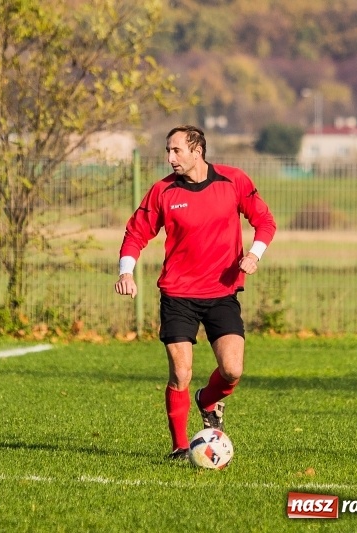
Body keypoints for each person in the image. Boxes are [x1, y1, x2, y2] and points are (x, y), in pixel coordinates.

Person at [114, 125, 276, 459]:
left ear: (197, 151)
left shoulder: (233, 181)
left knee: (232, 370)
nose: (170, 158)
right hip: (178, 295)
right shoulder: (162, 191)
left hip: (222, 293)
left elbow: (265, 222)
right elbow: (135, 234)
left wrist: (254, 255)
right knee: (180, 373)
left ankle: (207, 400)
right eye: (168, 151)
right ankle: (179, 447)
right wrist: (125, 272)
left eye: (176, 151)